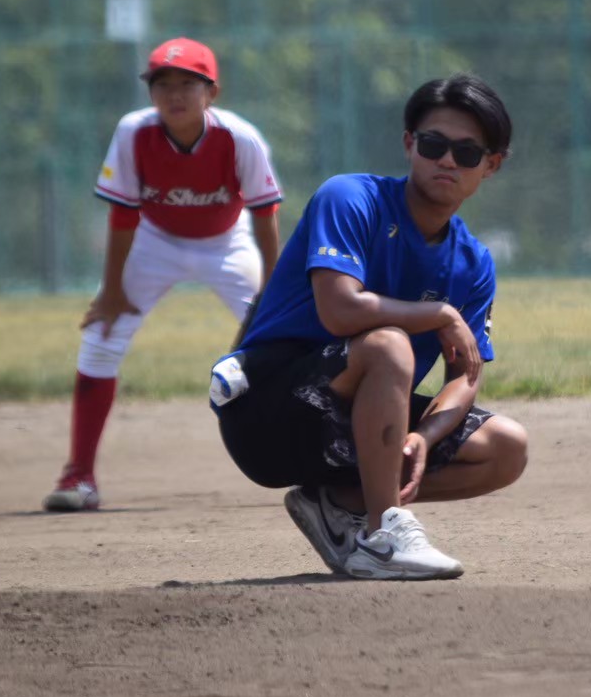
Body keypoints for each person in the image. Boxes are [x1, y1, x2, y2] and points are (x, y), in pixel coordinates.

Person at [210, 73, 528, 580]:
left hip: (359, 430)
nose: (448, 160)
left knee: (506, 449)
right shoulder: (351, 198)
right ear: (409, 143)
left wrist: (425, 436)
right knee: (387, 345)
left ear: (491, 165)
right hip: (268, 418)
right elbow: (341, 310)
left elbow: (465, 374)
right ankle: (383, 536)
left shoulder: (473, 262)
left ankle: (340, 506)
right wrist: (439, 314)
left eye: (468, 153)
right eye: (434, 144)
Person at [43, 37, 283, 511]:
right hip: (154, 241)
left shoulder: (240, 137)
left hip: (227, 243)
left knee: (286, 335)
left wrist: (273, 291)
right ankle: (79, 477)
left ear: (211, 92)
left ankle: (322, 463)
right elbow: (123, 215)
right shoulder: (134, 132)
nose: (174, 94)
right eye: (162, 84)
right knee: (101, 337)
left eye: (188, 84)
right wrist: (112, 291)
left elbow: (264, 214)